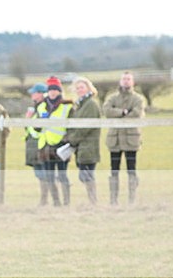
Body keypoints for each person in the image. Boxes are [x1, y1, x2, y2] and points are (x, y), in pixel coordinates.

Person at [102, 71, 145, 204]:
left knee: (131, 169)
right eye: (124, 79)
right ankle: (113, 199)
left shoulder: (138, 98)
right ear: (120, 81)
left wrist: (120, 115)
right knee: (114, 170)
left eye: (128, 79)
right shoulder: (112, 98)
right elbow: (107, 111)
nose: (126, 81)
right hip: (115, 139)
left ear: (132, 82)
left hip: (131, 139)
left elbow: (137, 113)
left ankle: (132, 199)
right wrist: (123, 112)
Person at [35, 76, 72, 206]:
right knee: (49, 177)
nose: (53, 92)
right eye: (50, 89)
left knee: (62, 175)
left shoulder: (67, 106)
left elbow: (71, 127)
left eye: (55, 89)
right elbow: (36, 125)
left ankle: (66, 202)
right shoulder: (41, 106)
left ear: (59, 91)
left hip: (61, 146)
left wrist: (68, 142)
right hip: (45, 146)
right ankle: (56, 202)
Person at [64, 77, 101, 205]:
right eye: (77, 88)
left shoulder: (90, 104)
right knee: (84, 174)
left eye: (82, 87)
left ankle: (93, 201)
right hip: (81, 146)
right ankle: (92, 201)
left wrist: (72, 139)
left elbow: (86, 127)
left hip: (88, 145)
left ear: (89, 88)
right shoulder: (79, 105)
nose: (79, 90)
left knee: (87, 174)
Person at [23, 82, 48, 205]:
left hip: (40, 144)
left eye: (34, 92)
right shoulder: (36, 107)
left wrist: (28, 119)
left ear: (41, 94)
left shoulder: (43, 107)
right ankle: (44, 199)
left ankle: (44, 200)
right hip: (34, 144)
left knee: (43, 173)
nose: (32, 95)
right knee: (40, 174)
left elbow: (39, 126)